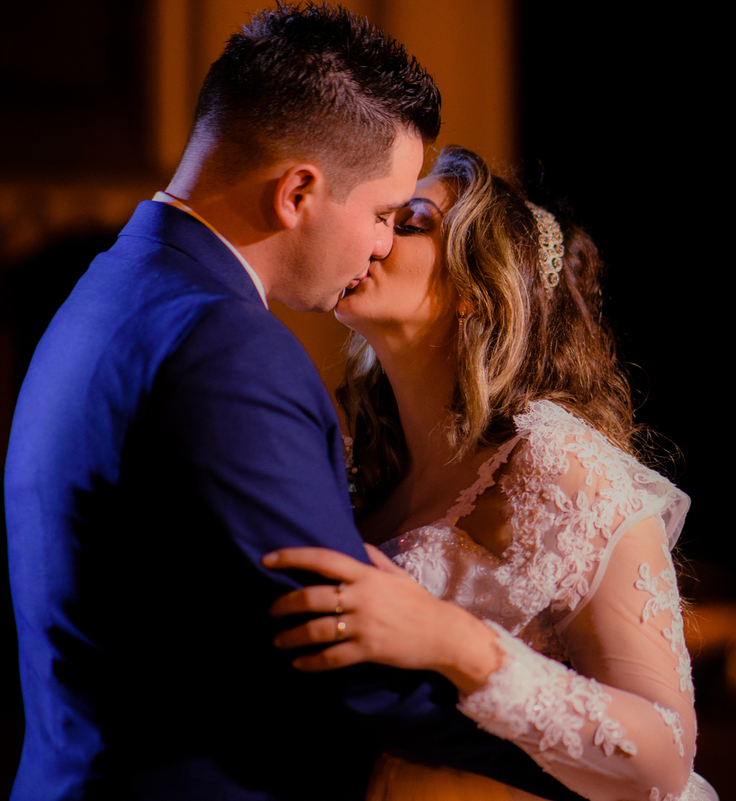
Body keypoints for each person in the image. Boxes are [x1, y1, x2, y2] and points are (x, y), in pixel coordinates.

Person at [4, 6, 582, 801]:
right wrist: (586, 762)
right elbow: (341, 655)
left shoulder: (112, 289)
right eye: (383, 214)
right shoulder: (226, 347)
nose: (382, 244)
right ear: (300, 192)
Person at [262, 146, 719, 801]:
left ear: (479, 289)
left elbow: (663, 756)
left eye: (411, 221)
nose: (374, 233)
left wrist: (452, 640)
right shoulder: (367, 462)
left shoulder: (559, 465)